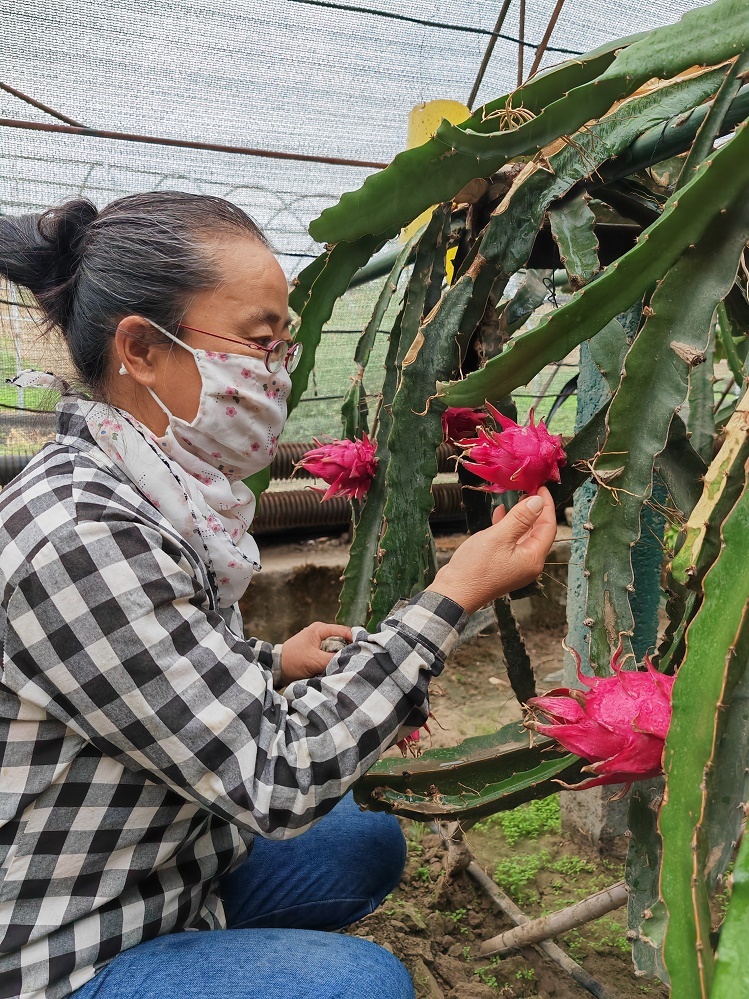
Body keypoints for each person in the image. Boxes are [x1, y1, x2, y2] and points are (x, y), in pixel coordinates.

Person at [0, 193, 557, 999]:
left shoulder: (147, 484)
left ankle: (212, 958)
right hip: (62, 938)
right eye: (260, 340)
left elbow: (153, 668)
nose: (278, 367)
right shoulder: (81, 537)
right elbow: (276, 775)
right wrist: (450, 595)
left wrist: (269, 660)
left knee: (363, 838)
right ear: (142, 349)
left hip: (160, 867)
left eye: (284, 341)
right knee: (361, 985)